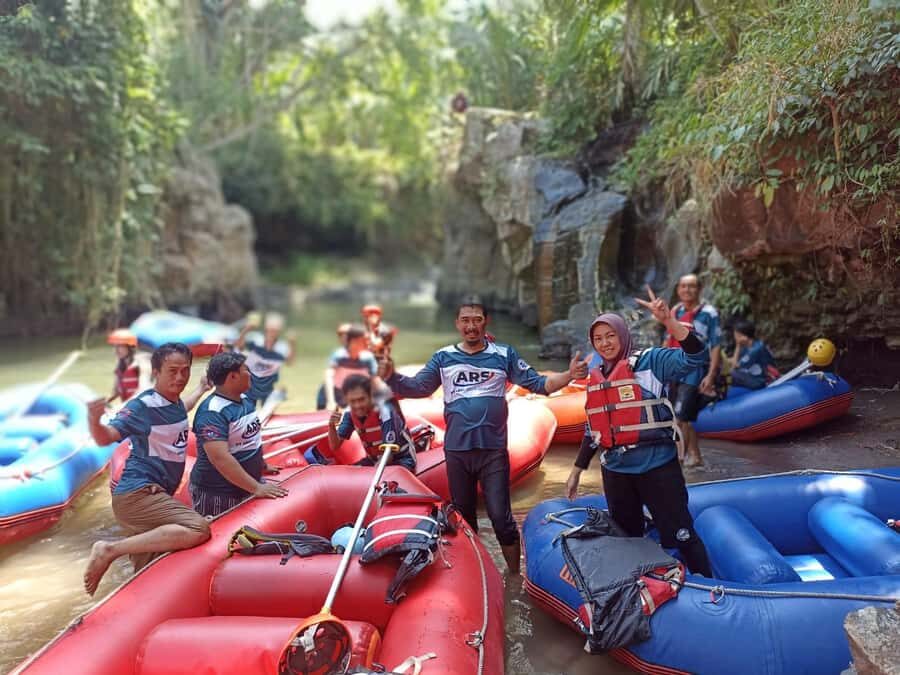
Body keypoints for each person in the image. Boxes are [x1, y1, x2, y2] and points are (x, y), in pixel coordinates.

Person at [379, 296, 589, 574]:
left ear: (485, 322)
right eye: (465, 320)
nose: (471, 326)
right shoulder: (444, 357)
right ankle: (476, 575)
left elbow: (540, 385)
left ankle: (515, 578)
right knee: (464, 518)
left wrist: (570, 375)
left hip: (493, 453)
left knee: (501, 519)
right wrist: (391, 376)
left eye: (477, 319)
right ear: (457, 324)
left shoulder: (504, 355)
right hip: (457, 452)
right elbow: (418, 388)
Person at [565, 287, 713, 577]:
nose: (605, 343)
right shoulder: (596, 376)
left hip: (657, 467)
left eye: (610, 336)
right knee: (628, 539)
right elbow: (594, 426)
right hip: (617, 472)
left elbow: (697, 358)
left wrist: (669, 322)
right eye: (598, 339)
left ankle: (711, 589)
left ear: (623, 335)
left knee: (681, 535)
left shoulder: (651, 361)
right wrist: (577, 469)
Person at [83, 343, 213, 596]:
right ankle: (109, 550)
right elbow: (106, 437)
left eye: (185, 371)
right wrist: (93, 420)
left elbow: (180, 408)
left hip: (154, 494)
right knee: (198, 528)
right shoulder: (141, 406)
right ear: (155, 371)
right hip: (137, 495)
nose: (179, 377)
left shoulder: (172, 401)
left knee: (147, 576)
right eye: (172, 371)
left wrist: (201, 389)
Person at [189, 351, 289, 517]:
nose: (250, 374)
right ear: (232, 377)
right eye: (246, 370)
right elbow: (220, 458)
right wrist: (257, 488)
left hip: (246, 486)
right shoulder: (212, 413)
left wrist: (261, 465)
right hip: (219, 494)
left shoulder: (244, 399)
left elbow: (250, 439)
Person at [662, 274, 721, 467]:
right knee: (682, 418)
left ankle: (678, 463)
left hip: (696, 371)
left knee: (680, 418)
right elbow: (667, 341)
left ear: (699, 289)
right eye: (683, 287)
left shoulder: (709, 313)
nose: (687, 290)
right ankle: (695, 457)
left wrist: (711, 376)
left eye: (692, 286)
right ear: (678, 290)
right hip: (675, 369)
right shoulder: (675, 311)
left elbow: (715, 346)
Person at [327, 374, 417, 472]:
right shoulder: (350, 414)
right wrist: (331, 426)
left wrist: (371, 473)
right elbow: (334, 446)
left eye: (361, 399)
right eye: (352, 401)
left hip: (401, 460)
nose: (357, 405)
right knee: (347, 474)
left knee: (382, 480)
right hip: (374, 460)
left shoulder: (385, 411)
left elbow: (389, 453)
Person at [235, 312, 296, 406]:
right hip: (250, 384)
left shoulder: (281, 347)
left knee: (268, 408)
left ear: (279, 332)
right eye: (270, 330)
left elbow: (289, 362)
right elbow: (239, 346)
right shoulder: (255, 339)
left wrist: (292, 344)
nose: (272, 333)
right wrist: (247, 329)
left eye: (275, 331)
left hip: (268, 386)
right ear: (266, 329)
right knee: (247, 409)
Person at [317, 324, 378, 410]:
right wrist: (330, 401)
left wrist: (377, 401)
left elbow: (375, 380)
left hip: (354, 396)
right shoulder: (339, 355)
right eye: (365, 340)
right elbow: (328, 376)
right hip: (332, 394)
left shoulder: (368, 358)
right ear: (354, 341)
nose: (368, 342)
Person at [728, 318, 776, 391]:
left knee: (731, 373)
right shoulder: (746, 346)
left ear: (744, 336)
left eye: (736, 335)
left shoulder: (756, 349)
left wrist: (737, 346)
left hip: (762, 380)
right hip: (751, 375)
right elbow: (735, 360)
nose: (735, 338)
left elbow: (735, 365)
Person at [106, 329, 150, 404]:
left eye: (120, 346)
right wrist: (104, 402)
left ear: (130, 347)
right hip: (128, 410)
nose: (116, 350)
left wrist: (125, 406)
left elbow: (143, 389)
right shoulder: (120, 367)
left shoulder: (141, 364)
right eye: (115, 346)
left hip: (142, 409)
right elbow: (115, 392)